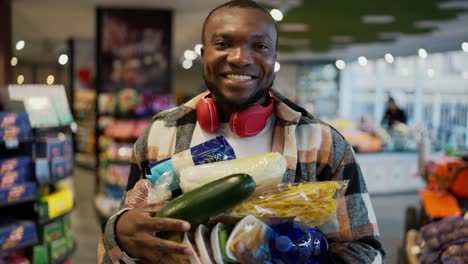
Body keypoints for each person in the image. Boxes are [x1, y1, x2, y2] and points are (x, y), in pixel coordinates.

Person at [98, 0, 386, 263]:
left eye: (259, 47)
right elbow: (128, 233)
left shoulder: (322, 144)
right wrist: (118, 234)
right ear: (203, 54)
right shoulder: (160, 134)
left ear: (274, 58)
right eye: (223, 43)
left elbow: (365, 249)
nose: (240, 58)